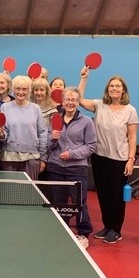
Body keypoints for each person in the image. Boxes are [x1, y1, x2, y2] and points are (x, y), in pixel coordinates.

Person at [78, 68, 138, 244]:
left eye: (118, 86)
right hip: (99, 157)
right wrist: (84, 78)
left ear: (123, 90)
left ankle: (116, 229)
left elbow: (132, 137)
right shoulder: (99, 105)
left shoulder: (130, 110)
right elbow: (79, 99)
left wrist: (131, 160)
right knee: (103, 194)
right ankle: (106, 226)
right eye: (111, 86)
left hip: (119, 159)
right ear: (107, 89)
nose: (114, 89)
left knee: (116, 196)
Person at [47, 87, 97, 249]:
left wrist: (72, 154)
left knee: (79, 202)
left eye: (74, 100)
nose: (70, 102)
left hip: (77, 168)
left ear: (78, 102)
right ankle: (62, 229)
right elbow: (48, 146)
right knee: (58, 201)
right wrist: (53, 140)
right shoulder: (55, 119)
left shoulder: (86, 121)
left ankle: (83, 233)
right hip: (56, 167)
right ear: (62, 101)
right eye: (67, 99)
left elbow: (91, 146)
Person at [0, 75, 47, 179]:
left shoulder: (35, 108)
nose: (21, 92)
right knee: (10, 192)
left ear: (29, 91)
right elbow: (4, 133)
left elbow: (42, 133)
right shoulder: (5, 107)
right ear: (13, 90)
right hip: (9, 157)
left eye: (24, 89)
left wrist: (43, 158)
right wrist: (1, 134)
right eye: (18, 88)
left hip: (31, 158)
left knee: (29, 192)